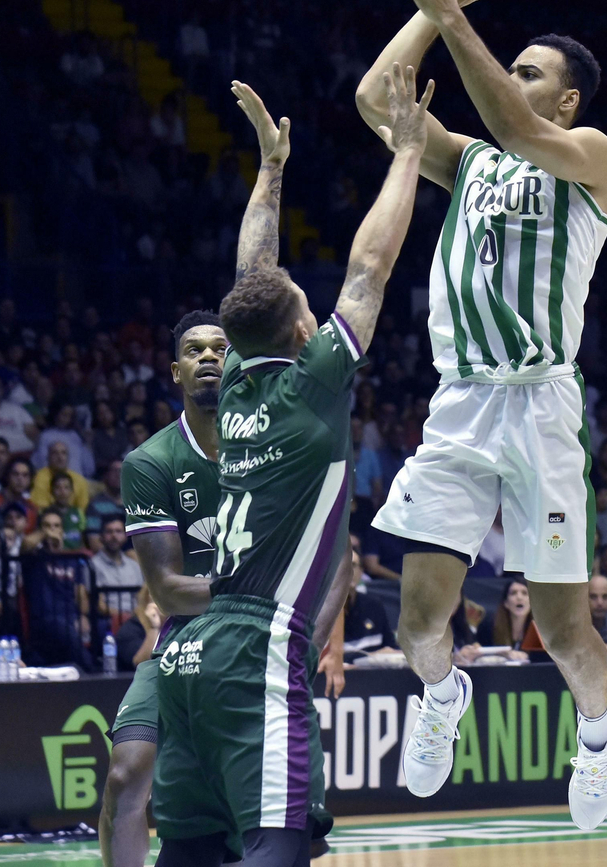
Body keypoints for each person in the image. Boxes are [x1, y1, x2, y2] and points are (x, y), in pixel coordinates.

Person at [361, 0, 607, 829]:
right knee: (417, 624)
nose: (513, 77)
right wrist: (433, 11)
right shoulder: (471, 162)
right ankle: (443, 698)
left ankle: (598, 734)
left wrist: (454, 16)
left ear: (568, 99)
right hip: (462, 404)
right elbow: (376, 100)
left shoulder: (590, 155)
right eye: (512, 67)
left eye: (529, 71)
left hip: (543, 407)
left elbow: (519, 130)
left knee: (564, 631)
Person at [153, 70, 422, 866]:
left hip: (194, 649)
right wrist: (409, 152)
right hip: (261, 646)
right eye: (308, 303)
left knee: (192, 853)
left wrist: (271, 168)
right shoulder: (315, 385)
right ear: (305, 333)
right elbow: (369, 268)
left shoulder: (236, 378)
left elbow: (253, 276)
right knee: (280, 848)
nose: (313, 306)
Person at [97, 312, 227, 867]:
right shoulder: (151, 461)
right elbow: (168, 592)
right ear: (176, 372)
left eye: (221, 348)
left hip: (260, 643)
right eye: (194, 350)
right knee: (125, 774)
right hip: (184, 640)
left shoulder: (272, 447)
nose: (209, 357)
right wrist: (255, 590)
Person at [91, 514, 144, 623]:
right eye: (109, 532)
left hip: (136, 620)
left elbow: (141, 598)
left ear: (125, 536)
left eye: (118, 531)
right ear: (101, 536)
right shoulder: (92, 565)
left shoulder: (134, 565)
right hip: (107, 621)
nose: (114, 536)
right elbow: (99, 605)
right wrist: (124, 617)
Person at [491, 579, 534, 650]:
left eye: (524, 593)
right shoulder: (491, 628)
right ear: (506, 603)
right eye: (513, 593)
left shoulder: (541, 631)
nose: (519, 597)